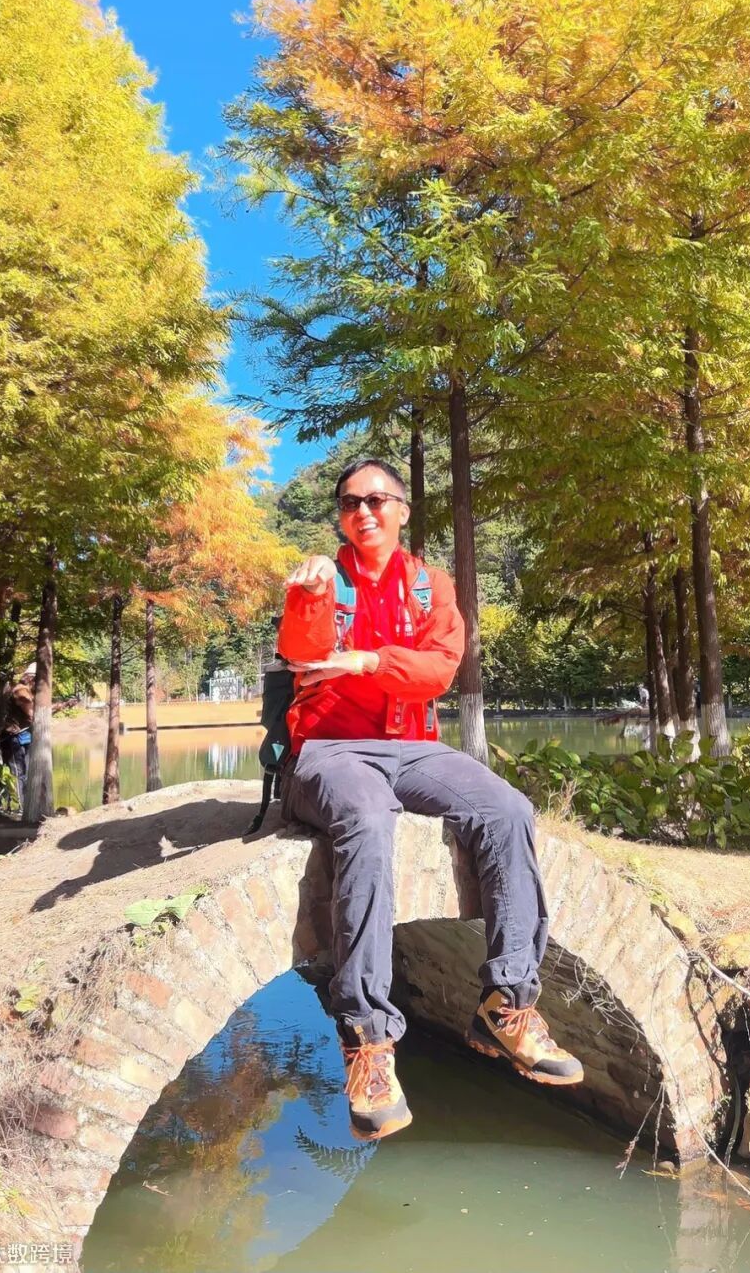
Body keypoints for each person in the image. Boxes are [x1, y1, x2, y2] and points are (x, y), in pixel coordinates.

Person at [278, 457, 582, 1143]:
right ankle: (367, 1038)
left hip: (413, 748)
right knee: (366, 816)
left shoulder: (429, 585)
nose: (363, 512)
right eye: (350, 503)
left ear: (402, 510)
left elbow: (439, 670)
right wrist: (306, 599)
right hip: (330, 749)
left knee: (507, 809)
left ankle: (507, 1003)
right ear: (340, 516)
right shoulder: (325, 578)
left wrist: (367, 660)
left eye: (376, 500)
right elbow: (302, 653)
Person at [0, 663, 36, 796]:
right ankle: (18, 804)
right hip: (13, 737)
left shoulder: (28, 691)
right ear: (31, 678)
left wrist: (62, 705)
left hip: (24, 736)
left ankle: (25, 802)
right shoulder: (21, 691)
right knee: (18, 773)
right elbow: (32, 714)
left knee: (26, 772)